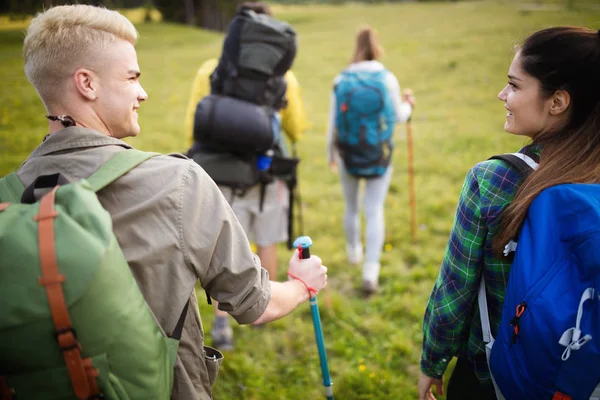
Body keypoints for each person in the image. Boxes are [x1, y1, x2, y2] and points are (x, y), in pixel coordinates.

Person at [16, 5, 326, 399]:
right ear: (87, 84)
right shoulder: (176, 182)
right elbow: (255, 304)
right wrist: (301, 285)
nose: (142, 92)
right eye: (131, 77)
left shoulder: (11, 195)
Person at [418, 26, 600, 400]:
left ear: (558, 101)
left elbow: (454, 293)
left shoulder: (494, 181)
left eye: (515, 86)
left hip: (493, 376)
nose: (502, 95)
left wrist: (432, 362)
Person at [184, 1, 308, 350]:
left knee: (225, 247)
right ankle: (263, 310)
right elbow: (295, 126)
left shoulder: (212, 69)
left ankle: (222, 325)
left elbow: (194, 119)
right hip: (266, 176)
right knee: (265, 239)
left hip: (219, 173)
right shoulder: (285, 76)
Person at [326, 26, 415, 297]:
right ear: (377, 48)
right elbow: (399, 116)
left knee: (351, 207)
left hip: (348, 154)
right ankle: (370, 271)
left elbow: (332, 124)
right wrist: (409, 104)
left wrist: (330, 154)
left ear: (356, 48)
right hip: (379, 153)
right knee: (374, 210)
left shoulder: (341, 80)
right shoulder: (386, 78)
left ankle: (354, 252)